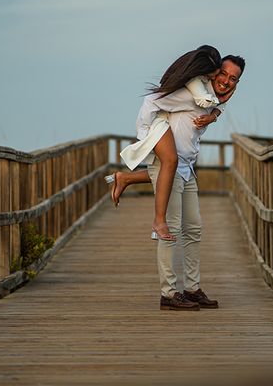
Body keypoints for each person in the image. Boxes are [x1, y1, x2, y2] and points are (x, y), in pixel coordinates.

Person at [116, 54, 246, 310]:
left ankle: (192, 288)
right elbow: (152, 101)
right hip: (169, 164)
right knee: (170, 229)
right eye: (224, 74)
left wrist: (215, 114)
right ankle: (168, 294)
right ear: (213, 72)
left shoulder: (215, 98)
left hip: (187, 167)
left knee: (194, 228)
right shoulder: (190, 93)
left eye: (234, 79)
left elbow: (219, 103)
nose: (227, 81)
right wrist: (148, 140)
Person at [105, 45, 225, 241]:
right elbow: (153, 100)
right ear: (201, 71)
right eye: (211, 74)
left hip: (161, 121)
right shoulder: (194, 85)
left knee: (168, 169)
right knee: (171, 161)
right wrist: (143, 134)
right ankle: (159, 221)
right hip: (155, 123)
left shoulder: (200, 81)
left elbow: (213, 101)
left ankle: (125, 178)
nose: (213, 78)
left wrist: (216, 113)